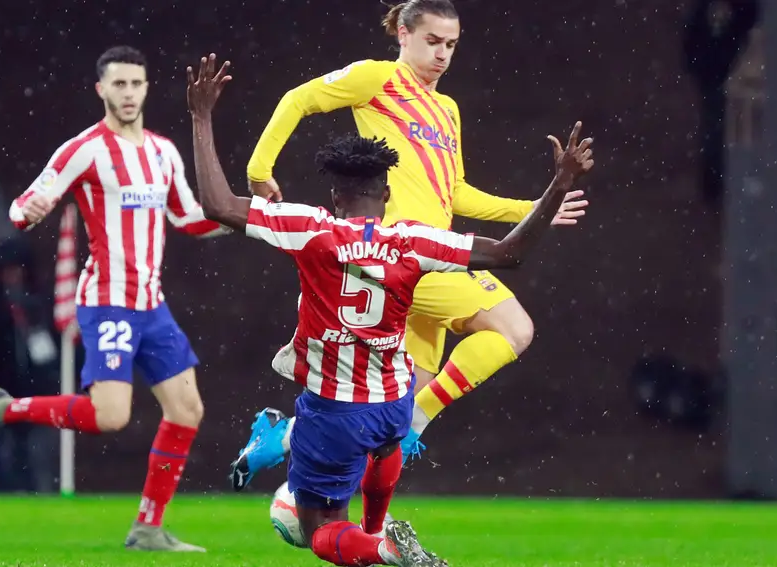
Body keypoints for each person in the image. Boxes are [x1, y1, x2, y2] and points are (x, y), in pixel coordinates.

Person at [186, 53, 592, 567]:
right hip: (393, 401)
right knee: (390, 439)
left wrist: (201, 118)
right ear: (388, 193)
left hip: (334, 406)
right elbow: (509, 254)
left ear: (335, 195)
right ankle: (379, 527)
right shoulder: (415, 240)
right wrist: (556, 186)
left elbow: (217, 204)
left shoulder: (311, 228)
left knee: (318, 529)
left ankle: (379, 546)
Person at [230, 0, 594, 490]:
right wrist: (259, 169)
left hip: (432, 254)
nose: (442, 54)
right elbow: (299, 98)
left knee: (390, 414)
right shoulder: (377, 78)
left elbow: (456, 192)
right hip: (400, 255)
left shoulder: (447, 110)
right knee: (513, 329)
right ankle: (415, 424)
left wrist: (528, 208)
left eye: (451, 45)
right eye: (432, 41)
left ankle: (282, 441)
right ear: (403, 34)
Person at [0, 45, 230, 552]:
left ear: (147, 88)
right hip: (107, 299)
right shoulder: (85, 148)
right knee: (110, 416)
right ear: (101, 89)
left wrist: (244, 217)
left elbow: (189, 218)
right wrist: (27, 209)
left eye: (136, 84)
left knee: (186, 409)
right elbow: (25, 205)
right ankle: (4, 409)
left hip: (152, 303)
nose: (127, 93)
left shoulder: (163, 152)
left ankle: (148, 528)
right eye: (118, 84)